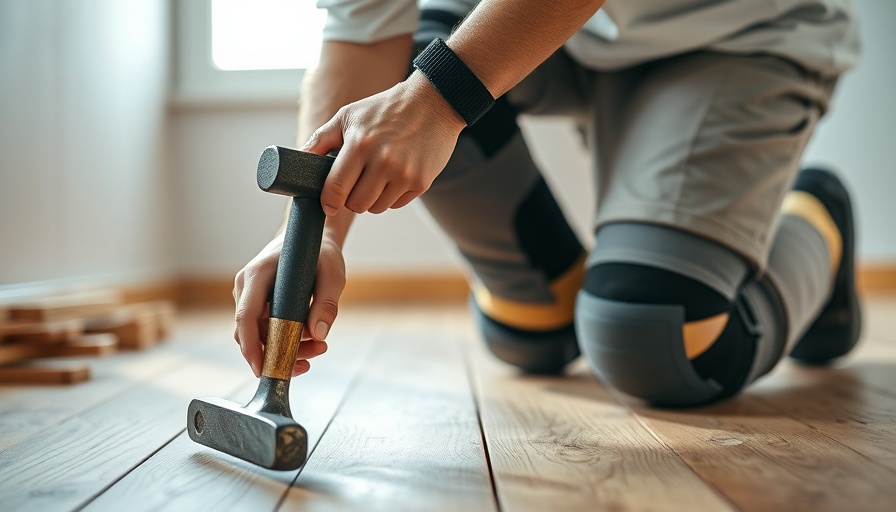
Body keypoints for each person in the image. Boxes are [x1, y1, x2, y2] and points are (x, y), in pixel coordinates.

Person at [233, 0, 862, 406]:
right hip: (530, 30)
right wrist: (313, 236)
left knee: (657, 338)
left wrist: (433, 103)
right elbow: (363, 31)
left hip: (733, 33)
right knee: (530, 337)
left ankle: (818, 216)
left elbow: (426, 99)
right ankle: (553, 305)